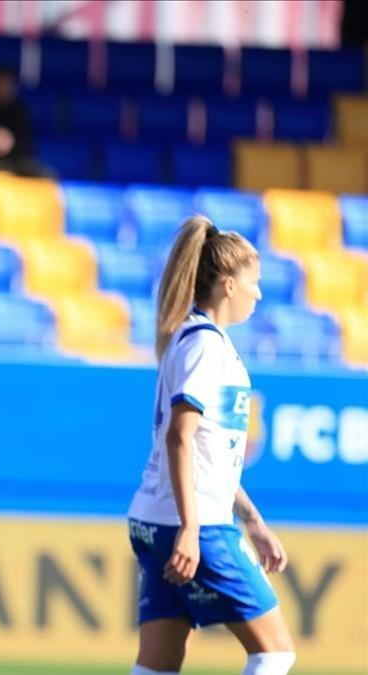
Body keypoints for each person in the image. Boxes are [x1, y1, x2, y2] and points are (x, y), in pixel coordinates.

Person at [127, 216, 295, 675]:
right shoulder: (206, 345)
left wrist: (253, 520)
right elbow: (180, 435)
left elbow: (208, 454)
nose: (257, 294)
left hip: (153, 519)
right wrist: (190, 526)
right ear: (227, 285)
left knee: (158, 662)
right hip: (194, 524)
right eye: (253, 283)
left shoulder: (185, 338)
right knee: (275, 652)